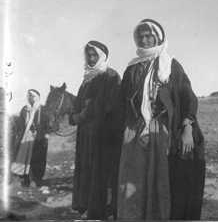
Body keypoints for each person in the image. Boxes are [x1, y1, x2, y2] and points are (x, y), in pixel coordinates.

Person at [117, 19, 205, 220]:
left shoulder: (171, 65)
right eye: (141, 36)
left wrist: (188, 128)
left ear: (158, 38)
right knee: (130, 178)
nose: (144, 39)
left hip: (161, 129)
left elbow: (187, 98)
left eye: (149, 36)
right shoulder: (132, 68)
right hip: (134, 129)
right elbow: (122, 101)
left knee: (158, 178)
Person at [68, 41, 121, 220]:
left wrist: (86, 112)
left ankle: (101, 211)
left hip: (101, 135)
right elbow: (78, 103)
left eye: (94, 55)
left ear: (103, 57)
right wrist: (76, 115)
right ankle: (88, 208)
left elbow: (111, 106)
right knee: (87, 170)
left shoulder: (110, 76)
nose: (91, 59)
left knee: (101, 172)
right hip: (86, 135)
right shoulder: (87, 79)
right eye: (88, 55)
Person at [10, 89, 50, 187]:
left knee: (39, 158)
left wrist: (46, 136)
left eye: (30, 96)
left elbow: (47, 123)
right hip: (26, 136)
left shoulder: (42, 109)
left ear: (35, 97)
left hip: (39, 138)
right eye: (28, 96)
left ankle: (37, 179)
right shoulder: (25, 109)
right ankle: (26, 178)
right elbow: (20, 124)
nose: (29, 97)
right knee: (26, 157)